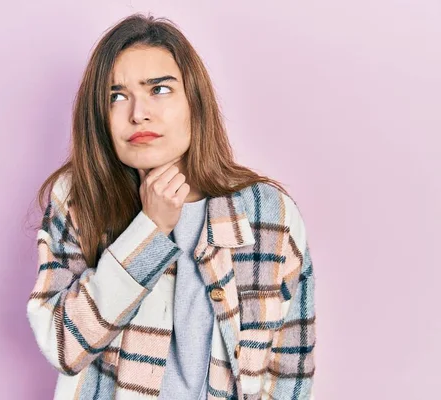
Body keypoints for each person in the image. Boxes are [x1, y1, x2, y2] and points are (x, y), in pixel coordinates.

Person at [27, 13, 316, 400]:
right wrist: (149, 230)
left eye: (159, 90)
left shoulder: (267, 215)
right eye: (116, 96)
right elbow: (63, 345)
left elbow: (290, 372)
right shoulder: (80, 199)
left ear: (193, 101)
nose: (138, 113)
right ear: (100, 118)